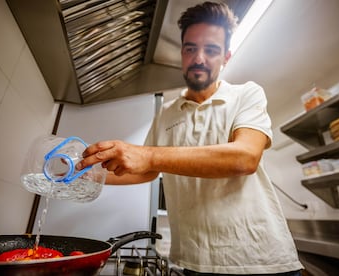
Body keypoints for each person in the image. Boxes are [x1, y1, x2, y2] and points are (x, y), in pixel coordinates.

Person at [76, 1, 304, 275]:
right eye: (191, 49)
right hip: (193, 262)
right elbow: (146, 171)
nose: (199, 58)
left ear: (226, 57)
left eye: (211, 50)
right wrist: (86, 173)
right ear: (182, 54)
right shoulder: (166, 114)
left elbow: (245, 158)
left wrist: (147, 154)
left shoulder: (246, 94)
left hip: (260, 260)